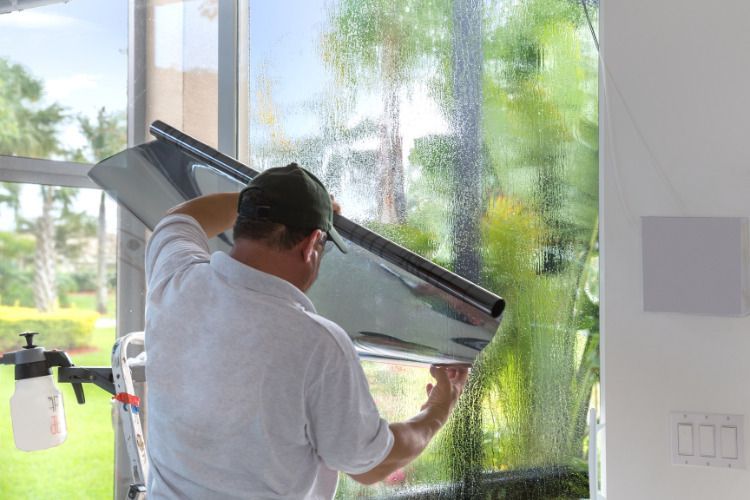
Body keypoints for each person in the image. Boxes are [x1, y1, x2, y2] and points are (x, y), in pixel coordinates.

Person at [144, 162, 468, 499]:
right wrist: (440, 408)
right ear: (313, 244)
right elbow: (371, 464)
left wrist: (263, 199)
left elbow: (181, 218)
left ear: (244, 222)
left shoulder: (174, 277)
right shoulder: (317, 344)